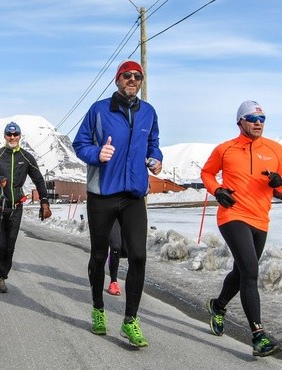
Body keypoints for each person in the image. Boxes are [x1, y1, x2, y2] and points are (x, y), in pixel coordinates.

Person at [72, 59, 163, 347]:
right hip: (103, 193)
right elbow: (79, 143)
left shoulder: (148, 112)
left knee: (138, 256)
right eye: (127, 76)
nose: (132, 80)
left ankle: (130, 320)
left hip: (134, 194)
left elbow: (153, 142)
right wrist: (97, 154)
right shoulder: (99, 110)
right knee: (99, 255)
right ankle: (98, 308)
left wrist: (156, 158)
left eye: (138, 76)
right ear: (117, 80)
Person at [200, 100, 282, 357]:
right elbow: (207, 173)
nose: (258, 123)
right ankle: (258, 335)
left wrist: (280, 181)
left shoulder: (275, 149)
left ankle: (218, 307)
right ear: (240, 121)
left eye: (262, 119)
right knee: (251, 271)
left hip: (260, 219)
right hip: (232, 215)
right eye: (252, 118)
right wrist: (217, 190)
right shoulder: (225, 149)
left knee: (242, 273)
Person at [0, 122, 52, 294]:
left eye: (15, 134)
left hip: (15, 208)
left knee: (10, 245)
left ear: (20, 136)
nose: (12, 137)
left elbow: (39, 180)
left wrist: (45, 202)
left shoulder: (26, 157)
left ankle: (2, 277)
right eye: (9, 135)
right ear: (4, 136)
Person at [106, 219, 126, 296]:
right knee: (115, 246)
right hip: (111, 211)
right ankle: (113, 281)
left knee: (126, 251)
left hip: (129, 210)